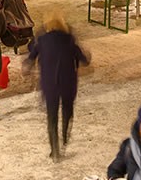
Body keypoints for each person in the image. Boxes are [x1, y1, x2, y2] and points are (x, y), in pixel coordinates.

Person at [25, 13, 91, 161]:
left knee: (52, 116)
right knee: (67, 111)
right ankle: (65, 139)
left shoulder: (42, 41)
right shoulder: (70, 41)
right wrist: (87, 55)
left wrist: (28, 67)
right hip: (68, 82)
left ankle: (55, 150)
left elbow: (30, 56)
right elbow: (84, 60)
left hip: (50, 84)